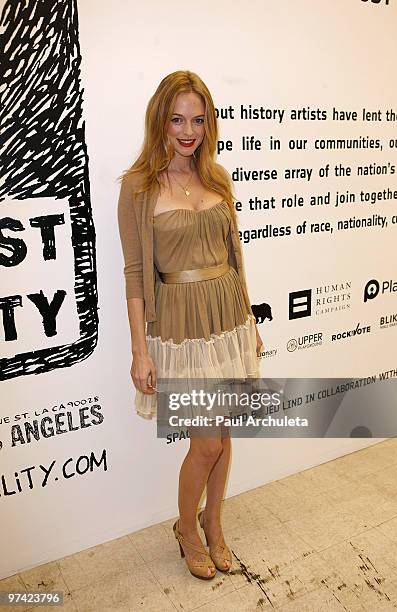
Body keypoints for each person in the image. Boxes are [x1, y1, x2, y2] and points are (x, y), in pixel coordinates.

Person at [117, 70, 264, 581]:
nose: (188, 130)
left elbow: (233, 256)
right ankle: (186, 528)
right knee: (206, 442)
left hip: (227, 320)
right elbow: (136, 274)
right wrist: (139, 350)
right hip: (181, 327)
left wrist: (248, 320)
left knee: (223, 435)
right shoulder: (138, 188)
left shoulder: (217, 177)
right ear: (160, 119)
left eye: (198, 120)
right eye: (178, 118)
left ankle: (214, 523)